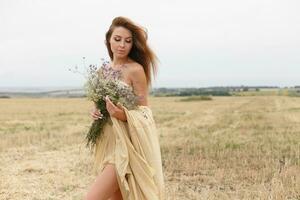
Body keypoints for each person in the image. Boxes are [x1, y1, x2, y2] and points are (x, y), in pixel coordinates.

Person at [85, 16, 165, 200]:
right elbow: (99, 104)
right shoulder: (102, 71)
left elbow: (145, 112)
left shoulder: (135, 70)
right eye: (117, 39)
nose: (122, 45)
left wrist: (121, 114)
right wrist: (95, 112)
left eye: (128, 41)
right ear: (108, 40)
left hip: (127, 146)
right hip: (108, 142)